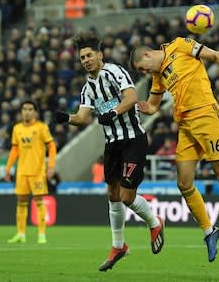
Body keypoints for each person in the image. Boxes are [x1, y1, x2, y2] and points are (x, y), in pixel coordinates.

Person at [54, 32, 164, 272]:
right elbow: (82, 118)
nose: (85, 60)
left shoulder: (115, 72)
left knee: (126, 197)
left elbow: (132, 97)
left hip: (133, 139)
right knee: (112, 195)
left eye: (89, 55)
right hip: (112, 144)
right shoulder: (88, 88)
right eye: (82, 57)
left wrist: (114, 112)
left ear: (100, 55)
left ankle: (155, 222)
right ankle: (118, 246)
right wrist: (65, 118)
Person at [129, 37, 219, 262]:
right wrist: (145, 107)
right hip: (185, 125)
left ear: (146, 55)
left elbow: (212, 54)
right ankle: (210, 232)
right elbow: (154, 105)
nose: (145, 72)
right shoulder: (157, 75)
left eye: (143, 69)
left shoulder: (180, 45)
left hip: (206, 115)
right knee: (183, 183)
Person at [5, 100, 57, 244]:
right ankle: (21, 234)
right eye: (24, 109)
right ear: (21, 111)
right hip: (22, 172)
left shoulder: (41, 127)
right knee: (21, 202)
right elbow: (14, 149)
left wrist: (51, 166)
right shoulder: (17, 129)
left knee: (39, 201)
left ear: (34, 112)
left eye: (30, 109)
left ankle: (41, 234)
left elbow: (52, 147)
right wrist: (8, 168)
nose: (27, 111)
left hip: (37, 172)